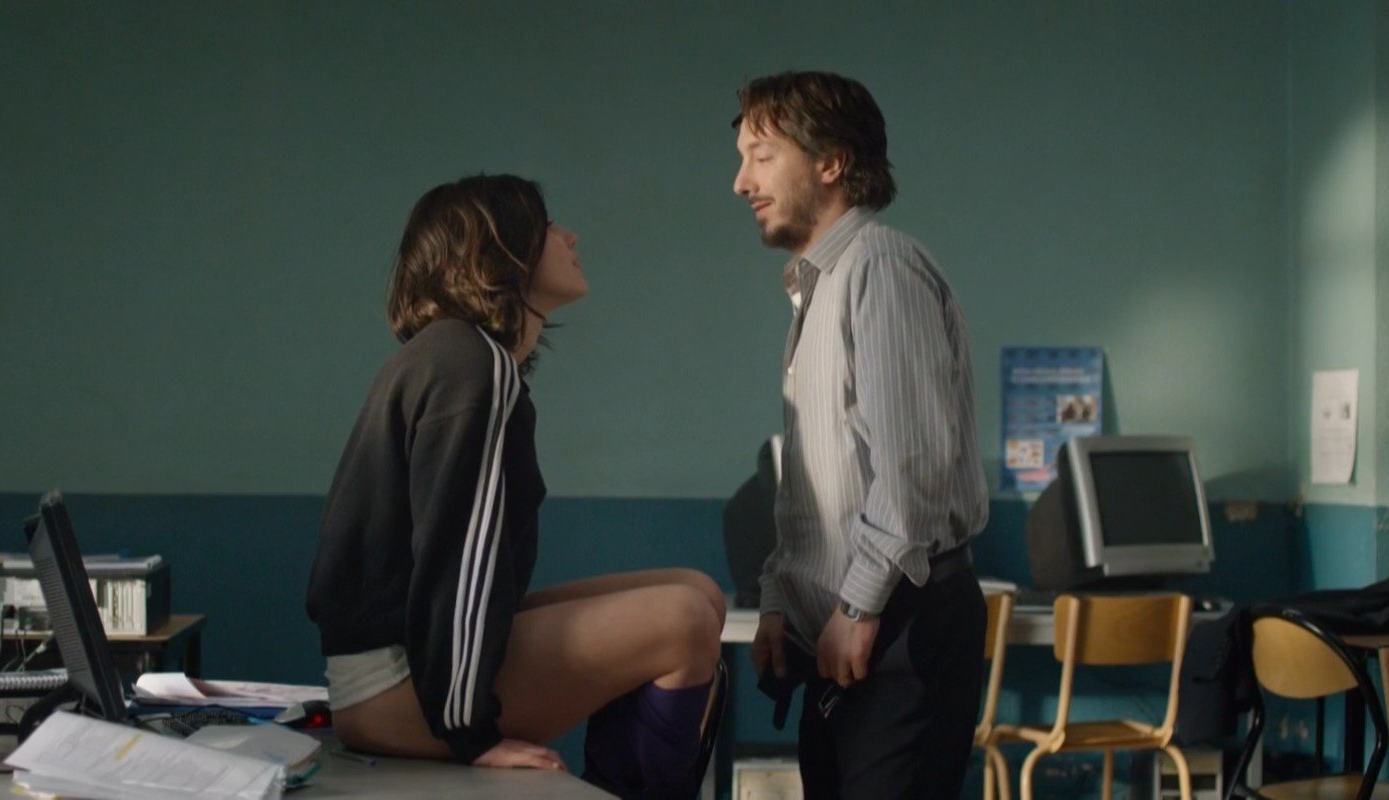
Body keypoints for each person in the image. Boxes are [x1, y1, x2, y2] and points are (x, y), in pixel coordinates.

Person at [304, 174, 726, 798]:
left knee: (697, 591)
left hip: (407, 671)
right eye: (548, 226)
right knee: (682, 619)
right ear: (499, 248)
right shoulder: (473, 363)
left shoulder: (458, 355)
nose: (569, 236)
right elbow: (456, 559)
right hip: (400, 691)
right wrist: (471, 733)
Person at [731, 72, 991, 798]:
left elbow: (911, 464)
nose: (741, 182)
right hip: (846, 629)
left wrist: (858, 605)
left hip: (896, 620)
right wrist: (781, 600)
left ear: (831, 162)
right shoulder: (819, 286)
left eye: (761, 156)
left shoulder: (880, 265)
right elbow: (817, 486)